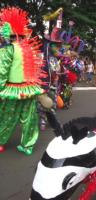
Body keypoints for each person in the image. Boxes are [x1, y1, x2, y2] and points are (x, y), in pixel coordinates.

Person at [0, 7, 46, 155]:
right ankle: (27, 146)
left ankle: (0, 142)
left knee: (7, 116)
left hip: (13, 89)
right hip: (29, 89)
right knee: (29, 118)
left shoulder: (8, 49)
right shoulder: (30, 49)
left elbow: (2, 71)